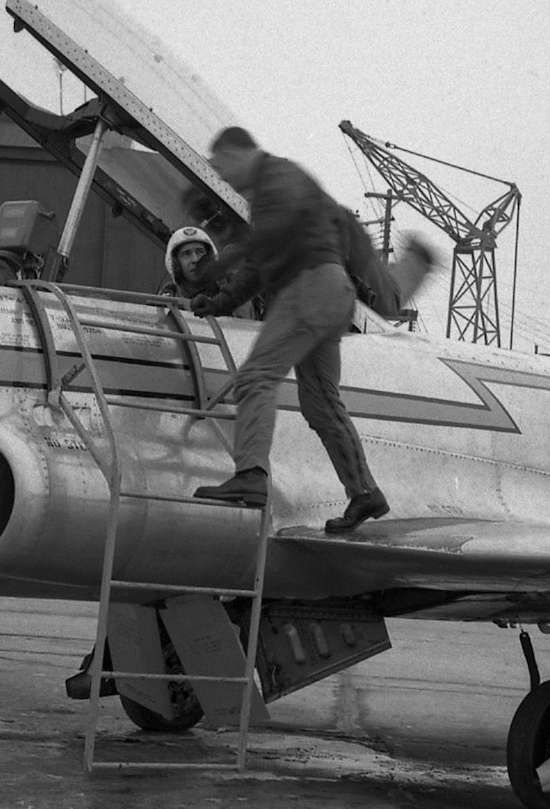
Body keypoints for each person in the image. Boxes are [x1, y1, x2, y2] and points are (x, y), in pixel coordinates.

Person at [190, 127, 389, 534]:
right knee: (320, 403)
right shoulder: (271, 190)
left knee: (256, 377)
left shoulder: (276, 177)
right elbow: (263, 261)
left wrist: (224, 261)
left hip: (310, 287)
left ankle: (250, 475)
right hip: (332, 293)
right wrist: (222, 301)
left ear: (238, 152)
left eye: (223, 166)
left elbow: (270, 237)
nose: (224, 178)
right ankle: (363, 492)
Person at [159, 226, 218, 304]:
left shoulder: (230, 295)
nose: (195, 260)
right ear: (176, 263)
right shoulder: (167, 297)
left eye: (200, 252)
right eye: (186, 254)